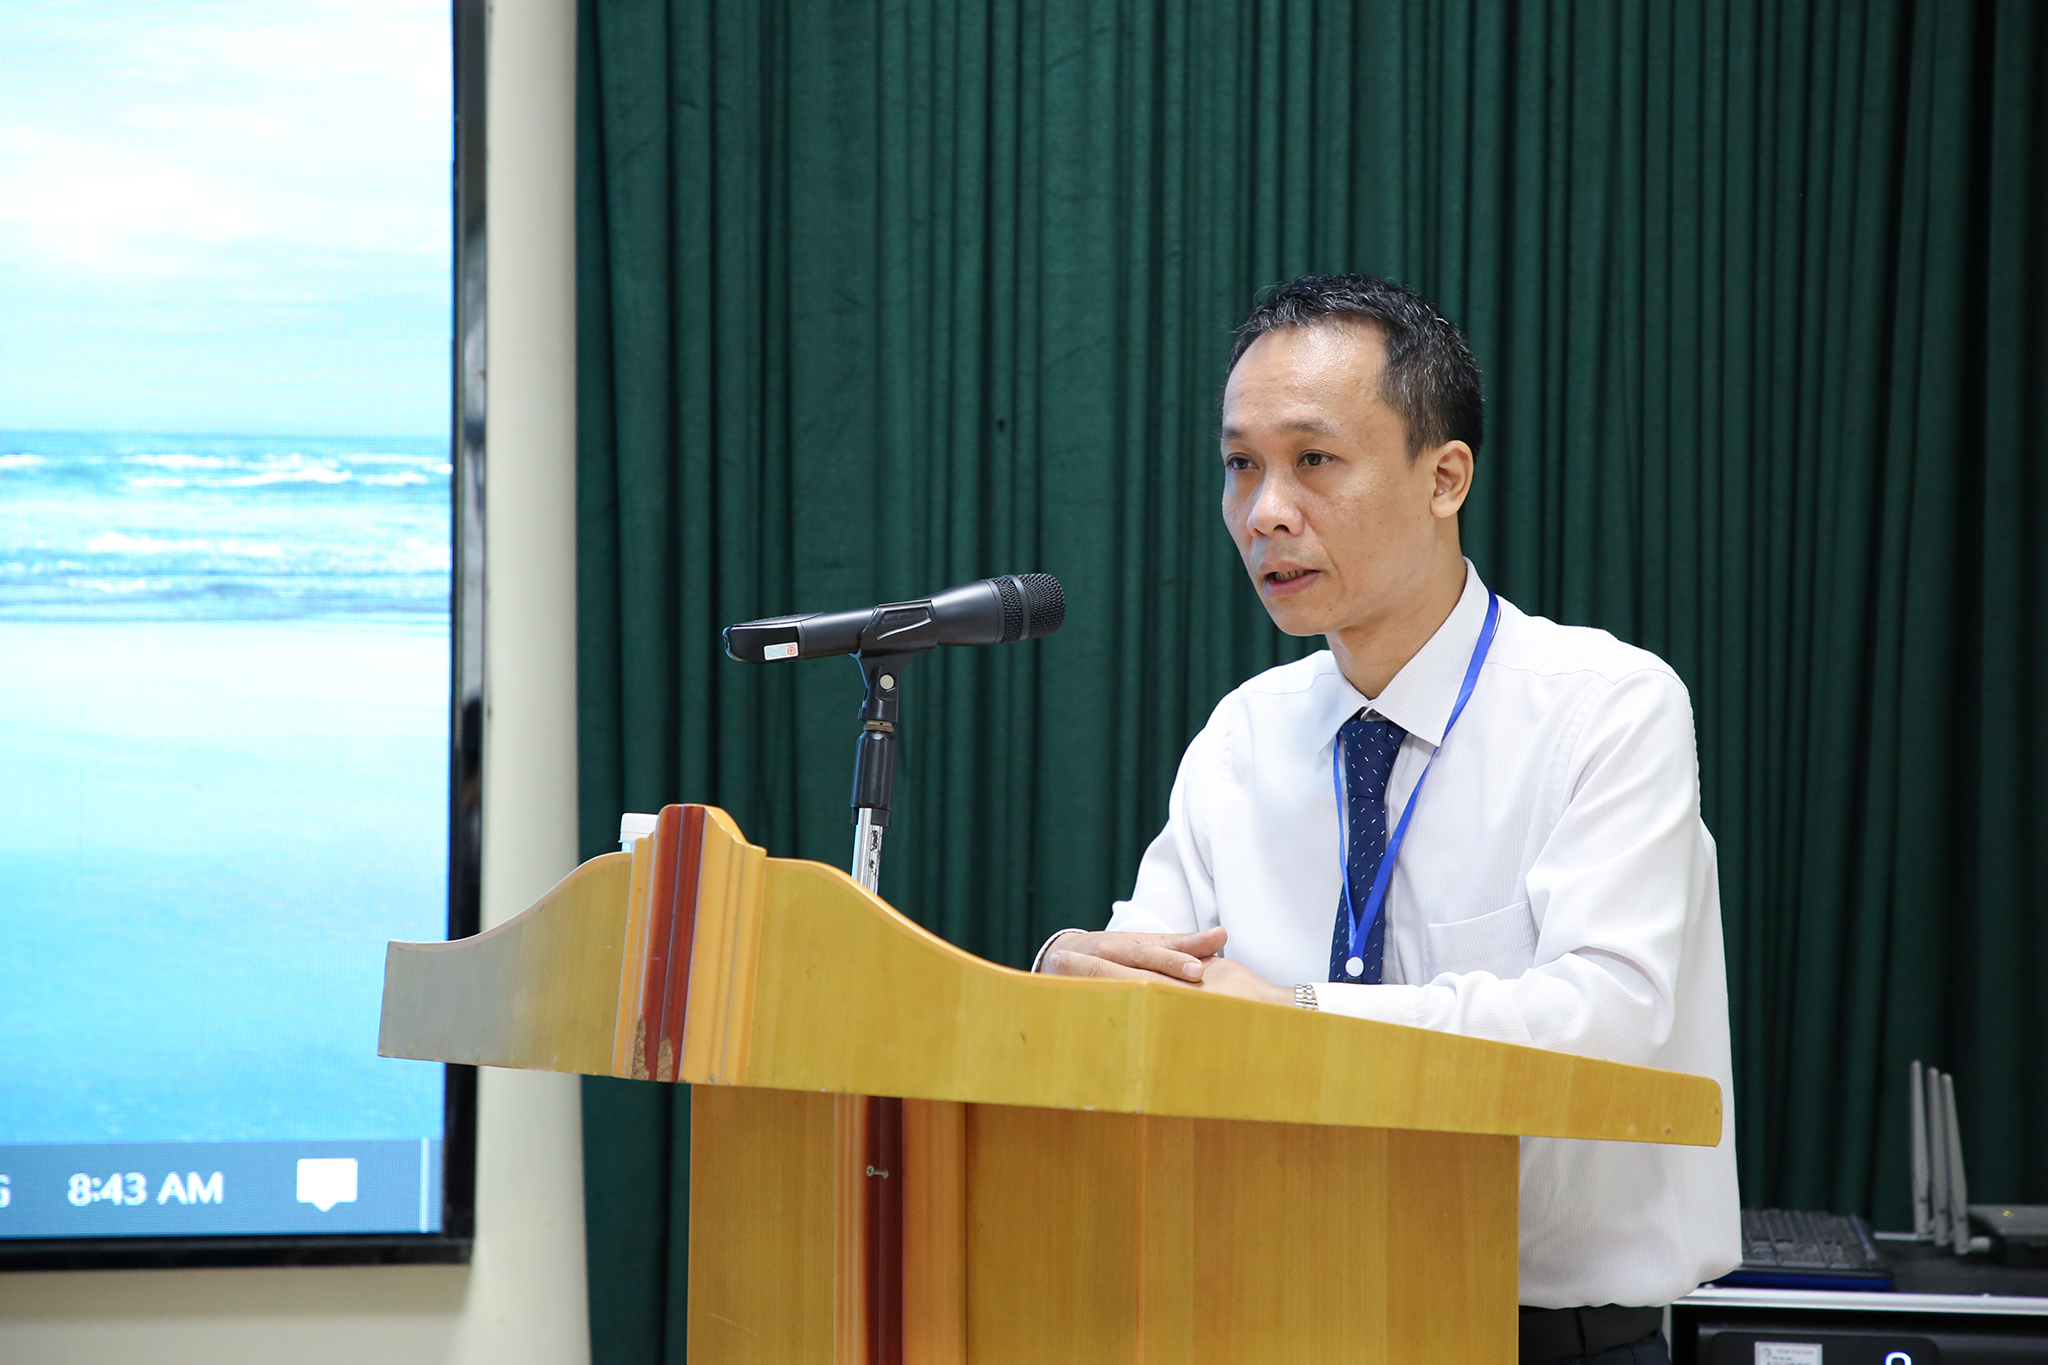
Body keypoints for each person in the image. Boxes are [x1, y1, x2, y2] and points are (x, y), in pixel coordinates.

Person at [1035, 274, 1740, 1365]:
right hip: (1269, 1321)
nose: (1265, 511)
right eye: (1240, 465)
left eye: (1314, 460)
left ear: (1444, 476)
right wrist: (1069, 978)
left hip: (1540, 1338)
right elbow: (1154, 1001)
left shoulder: (1606, 706)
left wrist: (1296, 1018)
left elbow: (1610, 1021)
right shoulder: (1242, 736)